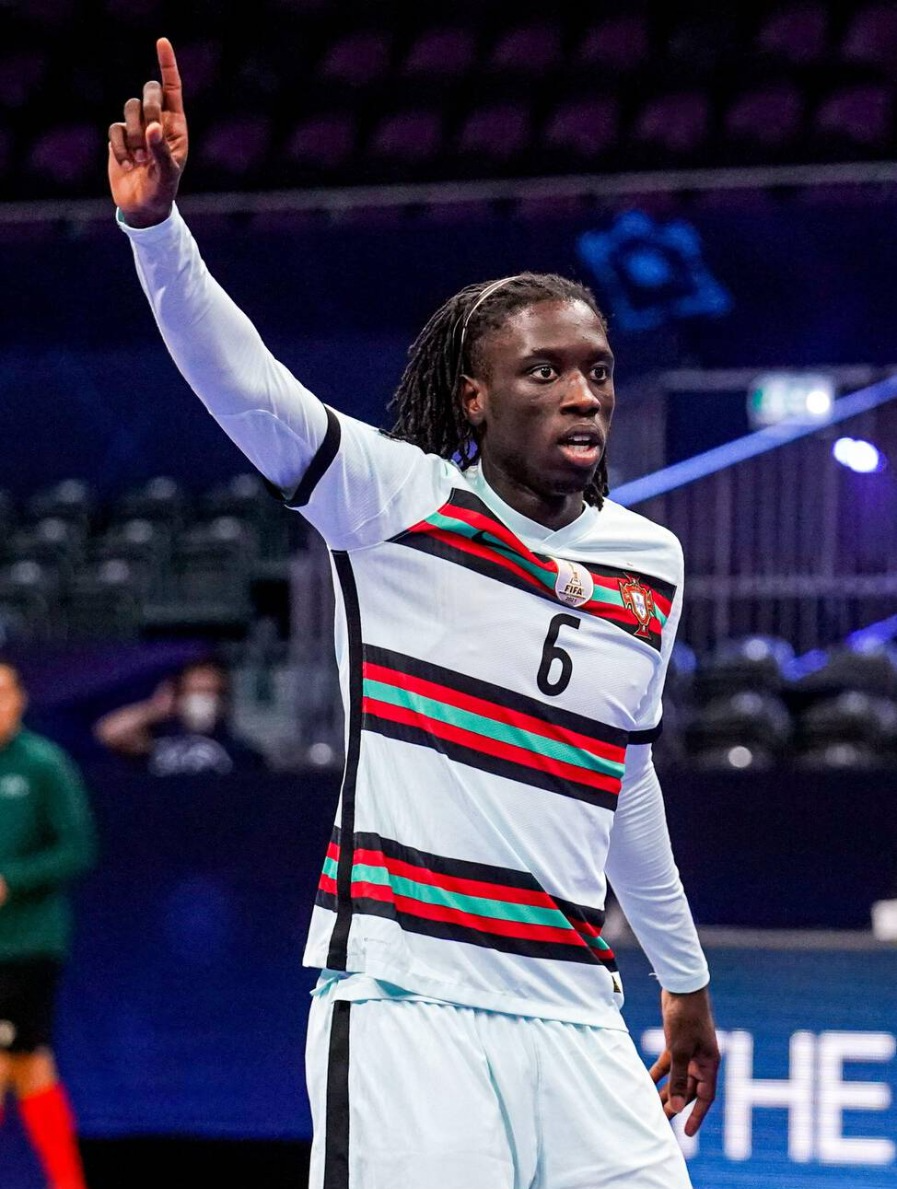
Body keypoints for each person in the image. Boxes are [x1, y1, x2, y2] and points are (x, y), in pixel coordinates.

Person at [107, 39, 720, 1189]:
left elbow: (622, 780)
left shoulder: (653, 559)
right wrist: (158, 234)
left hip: (581, 1016)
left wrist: (684, 982)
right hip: (408, 1006)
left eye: (596, 368)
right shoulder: (395, 503)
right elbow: (246, 386)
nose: (583, 391)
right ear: (474, 398)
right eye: (544, 372)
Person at [0, 662, 96, 1189]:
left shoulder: (42, 764)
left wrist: (12, 879)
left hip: (29, 943)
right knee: (31, 1066)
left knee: (14, 1061)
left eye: (2, 694)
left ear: (19, 701)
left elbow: (79, 848)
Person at [94, 657, 265, 775]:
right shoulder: (154, 742)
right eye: (194, 691)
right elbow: (108, 733)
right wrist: (156, 709)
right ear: (179, 696)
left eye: (210, 692)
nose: (202, 698)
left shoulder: (239, 750)